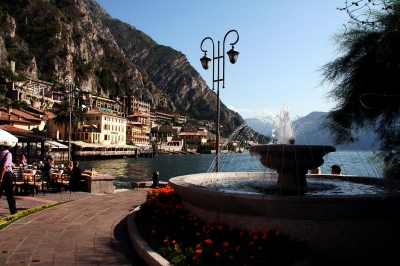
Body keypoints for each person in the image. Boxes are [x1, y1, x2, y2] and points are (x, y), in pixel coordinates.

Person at [0, 141, 18, 215]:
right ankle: (13, 212)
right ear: (10, 147)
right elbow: (4, 167)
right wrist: (1, 177)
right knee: (10, 194)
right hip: (6, 175)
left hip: (1, 173)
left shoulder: (0, 152)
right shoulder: (8, 154)